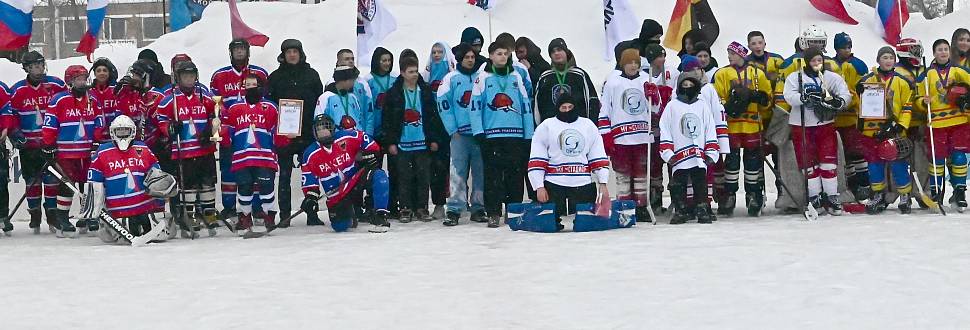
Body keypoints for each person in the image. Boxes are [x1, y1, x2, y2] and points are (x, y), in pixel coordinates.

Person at [83, 115, 175, 244]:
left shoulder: (143, 149)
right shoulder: (102, 153)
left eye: (126, 131)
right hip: (117, 213)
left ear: (133, 131)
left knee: (159, 235)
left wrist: (162, 199)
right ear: (112, 132)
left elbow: (157, 178)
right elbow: (94, 185)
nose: (122, 135)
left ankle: (155, 221)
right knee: (116, 238)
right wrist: (92, 213)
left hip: (145, 208)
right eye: (119, 131)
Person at [471, 41, 534, 227]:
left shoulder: (516, 76)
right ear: (490, 56)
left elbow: (525, 106)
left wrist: (528, 133)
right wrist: (478, 131)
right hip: (492, 136)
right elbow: (474, 107)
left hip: (515, 135)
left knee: (514, 175)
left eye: (505, 54)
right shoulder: (482, 78)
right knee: (493, 176)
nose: (502, 57)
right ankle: (493, 212)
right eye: (498, 53)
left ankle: (513, 210)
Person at [784, 46, 852, 216]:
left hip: (825, 124)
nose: (817, 63)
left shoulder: (831, 77)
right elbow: (788, 96)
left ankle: (832, 196)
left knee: (828, 162)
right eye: (813, 60)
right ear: (807, 62)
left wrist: (839, 102)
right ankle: (814, 196)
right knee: (809, 163)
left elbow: (845, 94)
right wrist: (803, 97)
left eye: (819, 60)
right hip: (802, 126)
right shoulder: (796, 77)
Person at [4, 51, 66, 234]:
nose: (39, 68)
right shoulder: (17, 90)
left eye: (41, 64)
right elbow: (11, 115)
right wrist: (15, 133)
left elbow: (67, 108)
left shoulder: (56, 85)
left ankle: (52, 214)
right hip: (29, 146)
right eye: (35, 66)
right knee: (32, 181)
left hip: (51, 145)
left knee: (52, 180)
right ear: (27, 68)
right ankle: (35, 214)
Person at [156, 60, 220, 238]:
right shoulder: (170, 100)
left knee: (207, 184)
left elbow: (216, 116)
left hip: (204, 150)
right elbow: (160, 119)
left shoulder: (205, 97)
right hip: (183, 151)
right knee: (188, 187)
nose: (189, 80)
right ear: (178, 78)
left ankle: (209, 215)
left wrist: (210, 131)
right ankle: (189, 217)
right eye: (185, 76)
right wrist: (170, 127)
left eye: (192, 76)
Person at [529, 93, 610, 231]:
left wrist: (603, 183)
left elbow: (598, 156)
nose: (567, 110)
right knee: (548, 226)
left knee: (586, 226)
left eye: (570, 107)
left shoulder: (588, 125)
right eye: (563, 107)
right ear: (558, 108)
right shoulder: (546, 126)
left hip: (582, 182)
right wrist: (539, 186)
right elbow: (537, 158)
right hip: (554, 183)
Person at [266, 38, 325, 227]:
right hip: (284, 135)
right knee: (284, 176)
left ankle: (312, 214)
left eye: (295, 51)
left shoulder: (312, 75)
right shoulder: (275, 77)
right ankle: (284, 216)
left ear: (301, 53)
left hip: (307, 134)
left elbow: (319, 102)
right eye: (288, 52)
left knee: (310, 175)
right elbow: (270, 105)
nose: (292, 55)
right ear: (283, 55)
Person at [42, 65, 106, 237]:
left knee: (89, 185)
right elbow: (50, 124)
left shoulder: (93, 100)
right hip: (66, 152)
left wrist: (96, 141)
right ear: (70, 81)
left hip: (88, 152)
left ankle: (90, 216)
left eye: (85, 78)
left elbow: (100, 122)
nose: (83, 82)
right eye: (79, 79)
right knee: (67, 185)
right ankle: (62, 218)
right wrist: (49, 145)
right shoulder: (59, 100)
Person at [210, 39, 270, 222]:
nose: (239, 52)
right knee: (228, 169)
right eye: (236, 49)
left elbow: (265, 102)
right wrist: (223, 127)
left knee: (256, 167)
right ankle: (229, 207)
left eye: (242, 49)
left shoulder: (259, 73)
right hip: (231, 130)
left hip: (253, 129)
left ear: (248, 51)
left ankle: (257, 207)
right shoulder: (219, 76)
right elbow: (216, 105)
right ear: (230, 52)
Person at [300, 114, 391, 233]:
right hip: (337, 194)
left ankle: (380, 215)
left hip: (355, 180)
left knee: (380, 177)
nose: (323, 132)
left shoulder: (346, 137)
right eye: (319, 129)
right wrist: (310, 196)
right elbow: (309, 179)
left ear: (332, 128)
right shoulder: (310, 154)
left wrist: (369, 153)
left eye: (325, 127)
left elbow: (365, 139)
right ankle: (351, 214)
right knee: (340, 226)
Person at [383, 56, 448, 222]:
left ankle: (422, 207)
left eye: (416, 71)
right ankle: (405, 207)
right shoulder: (394, 93)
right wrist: (390, 142)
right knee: (404, 177)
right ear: (403, 73)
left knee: (423, 176)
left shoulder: (424, 91)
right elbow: (388, 120)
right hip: (403, 143)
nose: (414, 74)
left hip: (422, 142)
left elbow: (432, 117)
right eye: (410, 72)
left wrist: (433, 139)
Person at [712, 42, 773, 216]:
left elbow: (767, 100)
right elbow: (718, 99)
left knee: (753, 162)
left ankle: (753, 194)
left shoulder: (757, 73)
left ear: (741, 54)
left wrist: (758, 97)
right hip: (731, 126)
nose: (730, 56)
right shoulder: (722, 73)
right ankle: (729, 194)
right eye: (728, 52)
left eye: (732, 53)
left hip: (752, 125)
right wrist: (730, 104)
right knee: (731, 162)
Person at [856, 47, 915, 214]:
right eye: (884, 57)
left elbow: (907, 107)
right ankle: (878, 195)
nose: (888, 60)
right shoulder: (867, 81)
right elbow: (856, 103)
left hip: (894, 131)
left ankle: (904, 195)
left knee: (898, 165)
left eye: (891, 57)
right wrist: (858, 92)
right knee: (874, 165)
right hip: (871, 131)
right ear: (878, 60)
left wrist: (901, 125)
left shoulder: (902, 82)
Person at [223, 73, 284, 234]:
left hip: (264, 156)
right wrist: (218, 132)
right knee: (244, 187)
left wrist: (286, 136)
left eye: (253, 85)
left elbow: (277, 132)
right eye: (247, 85)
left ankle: (269, 216)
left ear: (261, 87)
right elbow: (227, 133)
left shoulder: (271, 107)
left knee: (266, 186)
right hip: (241, 157)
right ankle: (245, 217)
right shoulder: (234, 108)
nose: (251, 88)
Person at [915, 39, 970, 210]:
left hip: (959, 121)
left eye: (946, 49)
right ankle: (935, 192)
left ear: (950, 52)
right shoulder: (926, 75)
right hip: (937, 123)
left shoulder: (959, 70)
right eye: (940, 49)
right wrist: (923, 102)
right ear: (934, 53)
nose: (943, 52)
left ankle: (960, 191)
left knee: (959, 157)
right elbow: (916, 99)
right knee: (937, 159)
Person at [598, 49, 652, 220]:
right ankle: (624, 205)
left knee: (641, 173)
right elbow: (605, 110)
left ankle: (641, 206)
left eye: (636, 62)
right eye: (629, 62)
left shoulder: (646, 80)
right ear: (623, 63)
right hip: (621, 137)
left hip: (643, 136)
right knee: (622, 173)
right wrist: (606, 135)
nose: (633, 65)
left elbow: (656, 109)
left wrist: (656, 96)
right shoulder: (613, 82)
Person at [659, 74, 720, 224]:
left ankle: (702, 208)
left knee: (700, 182)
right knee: (678, 183)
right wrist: (668, 152)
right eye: (684, 86)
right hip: (679, 154)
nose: (688, 89)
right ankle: (681, 209)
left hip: (698, 154)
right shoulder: (672, 106)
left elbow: (709, 128)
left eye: (690, 85)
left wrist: (711, 151)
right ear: (679, 88)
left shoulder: (702, 105)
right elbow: (665, 129)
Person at [437, 43, 486, 226]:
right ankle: (454, 209)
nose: (471, 60)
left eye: (473, 57)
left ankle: (479, 207)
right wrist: (452, 129)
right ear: (460, 59)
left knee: (480, 172)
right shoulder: (450, 79)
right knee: (457, 172)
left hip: (479, 134)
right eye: (467, 57)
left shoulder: (481, 78)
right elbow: (443, 105)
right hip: (460, 135)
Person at [831, 32, 872, 201]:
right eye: (842, 48)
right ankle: (851, 184)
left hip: (852, 118)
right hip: (834, 119)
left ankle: (864, 184)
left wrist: (855, 98)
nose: (846, 50)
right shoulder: (829, 64)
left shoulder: (859, 65)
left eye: (848, 47)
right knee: (843, 155)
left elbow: (867, 91)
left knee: (857, 152)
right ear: (836, 48)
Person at [420, 42, 456, 219]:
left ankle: (459, 202)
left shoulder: (452, 76)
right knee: (437, 168)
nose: (436, 55)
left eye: (440, 52)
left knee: (457, 167)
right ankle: (439, 204)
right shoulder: (426, 77)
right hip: (434, 128)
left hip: (453, 127)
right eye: (433, 51)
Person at [534, 38, 600, 122]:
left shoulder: (579, 75)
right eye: (553, 51)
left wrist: (591, 124)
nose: (556, 53)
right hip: (552, 128)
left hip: (577, 126)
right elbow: (537, 106)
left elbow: (592, 100)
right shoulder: (545, 77)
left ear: (566, 52)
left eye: (559, 49)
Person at [317, 66, 366, 132]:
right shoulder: (325, 97)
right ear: (344, 80)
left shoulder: (353, 97)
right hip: (335, 140)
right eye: (352, 80)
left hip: (354, 139)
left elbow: (359, 119)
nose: (353, 84)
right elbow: (319, 121)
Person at [89, 58, 119, 124]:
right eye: (98, 71)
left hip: (116, 130)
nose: (102, 73)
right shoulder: (89, 92)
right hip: (96, 131)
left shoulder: (117, 90)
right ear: (95, 74)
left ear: (109, 73)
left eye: (105, 70)